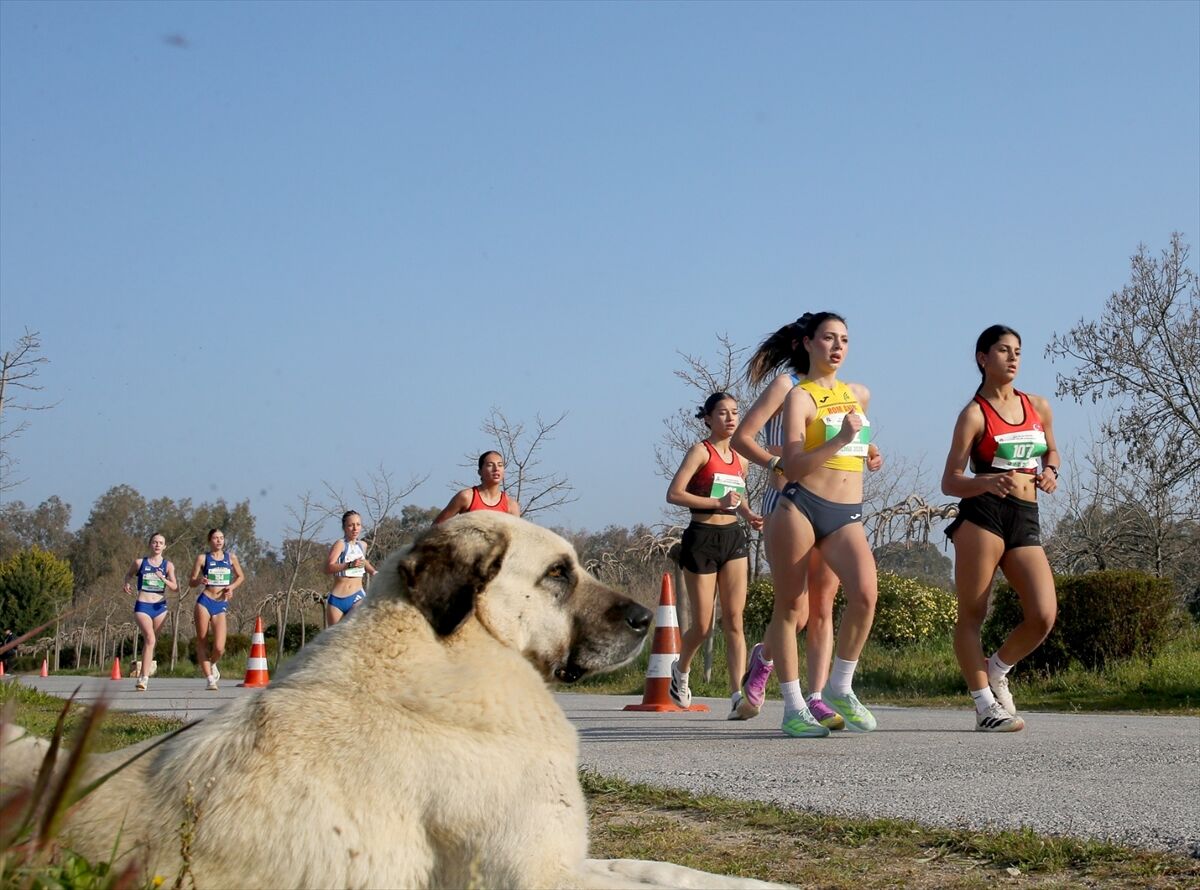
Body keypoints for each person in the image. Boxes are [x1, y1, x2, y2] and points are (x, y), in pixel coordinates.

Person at [733, 316, 883, 729]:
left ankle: (823, 695)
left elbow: (851, 436)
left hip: (841, 510)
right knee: (794, 609)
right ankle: (784, 689)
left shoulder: (856, 394)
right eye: (828, 338)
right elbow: (745, 440)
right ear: (807, 343)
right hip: (793, 497)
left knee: (828, 605)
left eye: (844, 340)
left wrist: (868, 449)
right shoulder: (790, 389)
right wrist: (776, 462)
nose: (837, 346)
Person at [940, 324, 1060, 732]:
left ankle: (997, 669)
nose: (1013, 358)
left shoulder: (1038, 406)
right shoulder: (974, 414)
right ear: (982, 358)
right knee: (972, 614)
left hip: (1025, 516)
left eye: (1018, 352)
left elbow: (1052, 450)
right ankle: (983, 706)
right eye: (1004, 351)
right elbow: (950, 480)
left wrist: (1051, 471)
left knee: (1043, 614)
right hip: (984, 515)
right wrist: (987, 481)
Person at [665, 392, 764, 719]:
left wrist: (748, 514)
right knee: (703, 626)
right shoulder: (700, 452)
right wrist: (716, 504)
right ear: (708, 418)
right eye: (723, 413)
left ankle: (737, 695)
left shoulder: (742, 457)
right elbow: (674, 493)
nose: (731, 418)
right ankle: (680, 668)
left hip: (733, 537)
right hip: (701, 538)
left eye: (735, 412)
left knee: (735, 620)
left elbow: (737, 494)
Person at [189, 528, 244, 690]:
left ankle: (212, 663)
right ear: (209, 540)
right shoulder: (202, 558)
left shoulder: (230, 557)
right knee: (202, 640)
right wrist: (200, 580)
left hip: (221, 603)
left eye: (221, 538)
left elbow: (241, 576)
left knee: (220, 647)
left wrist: (231, 587)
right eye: (215, 538)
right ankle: (210, 679)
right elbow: (191, 581)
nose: (219, 541)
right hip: (204, 601)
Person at [122, 531, 179, 691]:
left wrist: (163, 579)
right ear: (150, 544)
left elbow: (175, 588)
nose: (157, 545)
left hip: (160, 607)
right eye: (155, 542)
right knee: (150, 639)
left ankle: (144, 672)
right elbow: (128, 574)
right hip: (143, 605)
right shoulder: (140, 563)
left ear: (164, 546)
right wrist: (126, 583)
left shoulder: (168, 565)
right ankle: (143, 678)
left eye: (161, 543)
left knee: (151, 642)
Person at [433, 451, 522, 524]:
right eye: (490, 465)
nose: (496, 469)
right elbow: (436, 527)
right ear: (480, 472)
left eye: (500, 465)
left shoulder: (511, 505)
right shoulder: (466, 497)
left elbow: (517, 539)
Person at [324, 510, 378, 625]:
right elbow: (328, 568)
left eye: (358, 525)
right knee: (334, 640)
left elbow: (363, 562)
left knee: (356, 632)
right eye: (351, 525)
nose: (355, 529)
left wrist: (374, 572)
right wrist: (349, 565)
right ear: (344, 527)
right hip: (337, 600)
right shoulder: (340, 544)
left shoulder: (362, 545)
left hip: (357, 597)